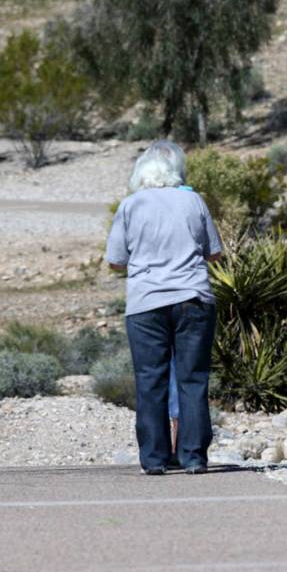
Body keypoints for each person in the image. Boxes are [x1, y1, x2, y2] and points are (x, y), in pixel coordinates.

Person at [106, 140, 222, 475]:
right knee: (193, 378)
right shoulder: (193, 200)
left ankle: (154, 459)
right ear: (174, 173)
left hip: (146, 303)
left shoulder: (130, 205)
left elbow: (115, 260)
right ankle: (194, 456)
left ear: (140, 174)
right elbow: (214, 252)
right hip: (193, 298)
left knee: (149, 380)